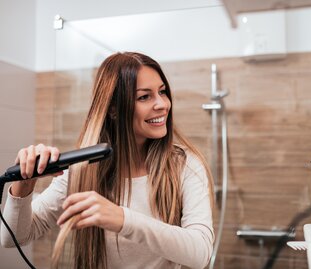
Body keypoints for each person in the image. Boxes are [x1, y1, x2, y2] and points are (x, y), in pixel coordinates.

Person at [0, 52, 214, 269]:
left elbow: (201, 253)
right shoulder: (81, 170)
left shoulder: (185, 165)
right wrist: (24, 185)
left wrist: (123, 219)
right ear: (113, 109)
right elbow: (13, 238)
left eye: (162, 92)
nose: (162, 104)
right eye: (144, 97)